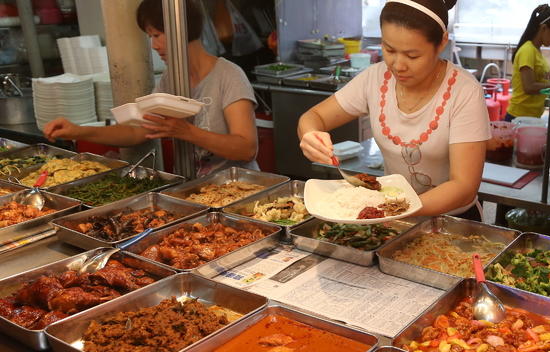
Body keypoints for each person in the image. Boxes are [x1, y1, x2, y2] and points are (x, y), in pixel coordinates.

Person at [298, 0, 489, 220]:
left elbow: (464, 187)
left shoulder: (464, 91)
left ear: (442, 43)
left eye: (412, 56)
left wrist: (393, 210)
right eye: (389, 49)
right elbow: (314, 116)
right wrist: (310, 135)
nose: (398, 65)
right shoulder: (375, 78)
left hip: (453, 223)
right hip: (393, 219)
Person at [43, 0, 259, 176]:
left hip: (237, 189)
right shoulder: (171, 78)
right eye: (150, 37)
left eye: (157, 35)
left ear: (179, 30)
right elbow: (137, 131)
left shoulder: (229, 76)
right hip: (193, 190)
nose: (154, 46)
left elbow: (246, 148)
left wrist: (187, 132)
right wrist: (79, 131)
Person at [505, 4, 550, 122]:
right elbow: (529, 87)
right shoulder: (528, 50)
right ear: (544, 28)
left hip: (531, 117)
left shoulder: (536, 50)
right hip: (519, 117)